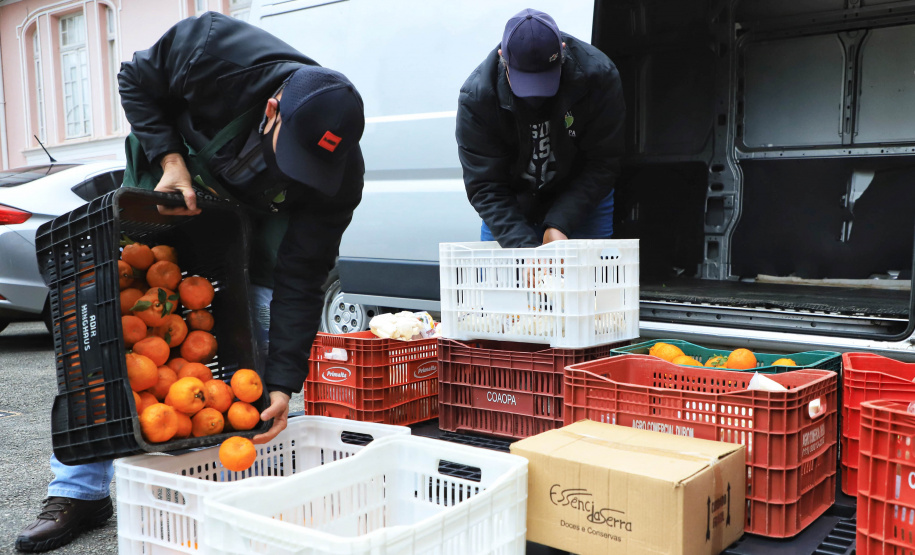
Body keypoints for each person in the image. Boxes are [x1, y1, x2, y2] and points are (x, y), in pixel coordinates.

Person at [16, 12, 364, 552]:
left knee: (257, 352)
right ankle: (79, 492)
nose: (297, 175)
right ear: (272, 111)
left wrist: (284, 381)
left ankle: (224, 496)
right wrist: (170, 159)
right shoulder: (214, 50)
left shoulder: (339, 179)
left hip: (254, 235)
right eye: (290, 157)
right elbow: (135, 79)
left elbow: (304, 275)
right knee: (104, 341)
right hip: (164, 204)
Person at [456, 8, 625, 247]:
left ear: (562, 50)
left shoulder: (598, 76)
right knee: (509, 281)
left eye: (546, 78)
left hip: (583, 198)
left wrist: (560, 223)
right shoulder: (478, 97)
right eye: (525, 80)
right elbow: (485, 185)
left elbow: (603, 161)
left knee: (588, 282)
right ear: (502, 56)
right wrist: (522, 249)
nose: (536, 97)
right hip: (512, 203)